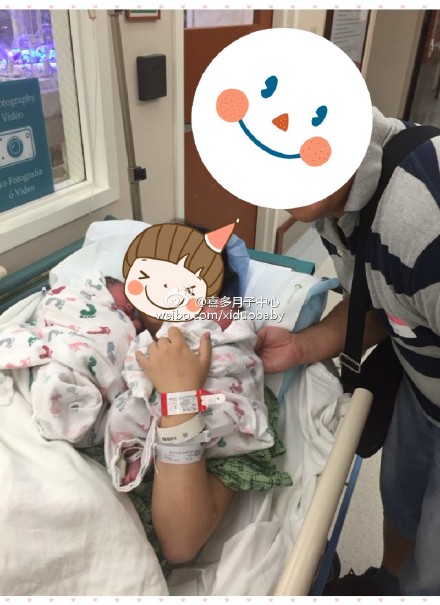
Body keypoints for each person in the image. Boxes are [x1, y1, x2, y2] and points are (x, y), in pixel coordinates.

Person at [256, 106, 440, 596]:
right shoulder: (337, 206)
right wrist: (301, 346)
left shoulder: (423, 218)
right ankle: (389, 581)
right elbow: (380, 300)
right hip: (422, 392)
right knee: (401, 500)